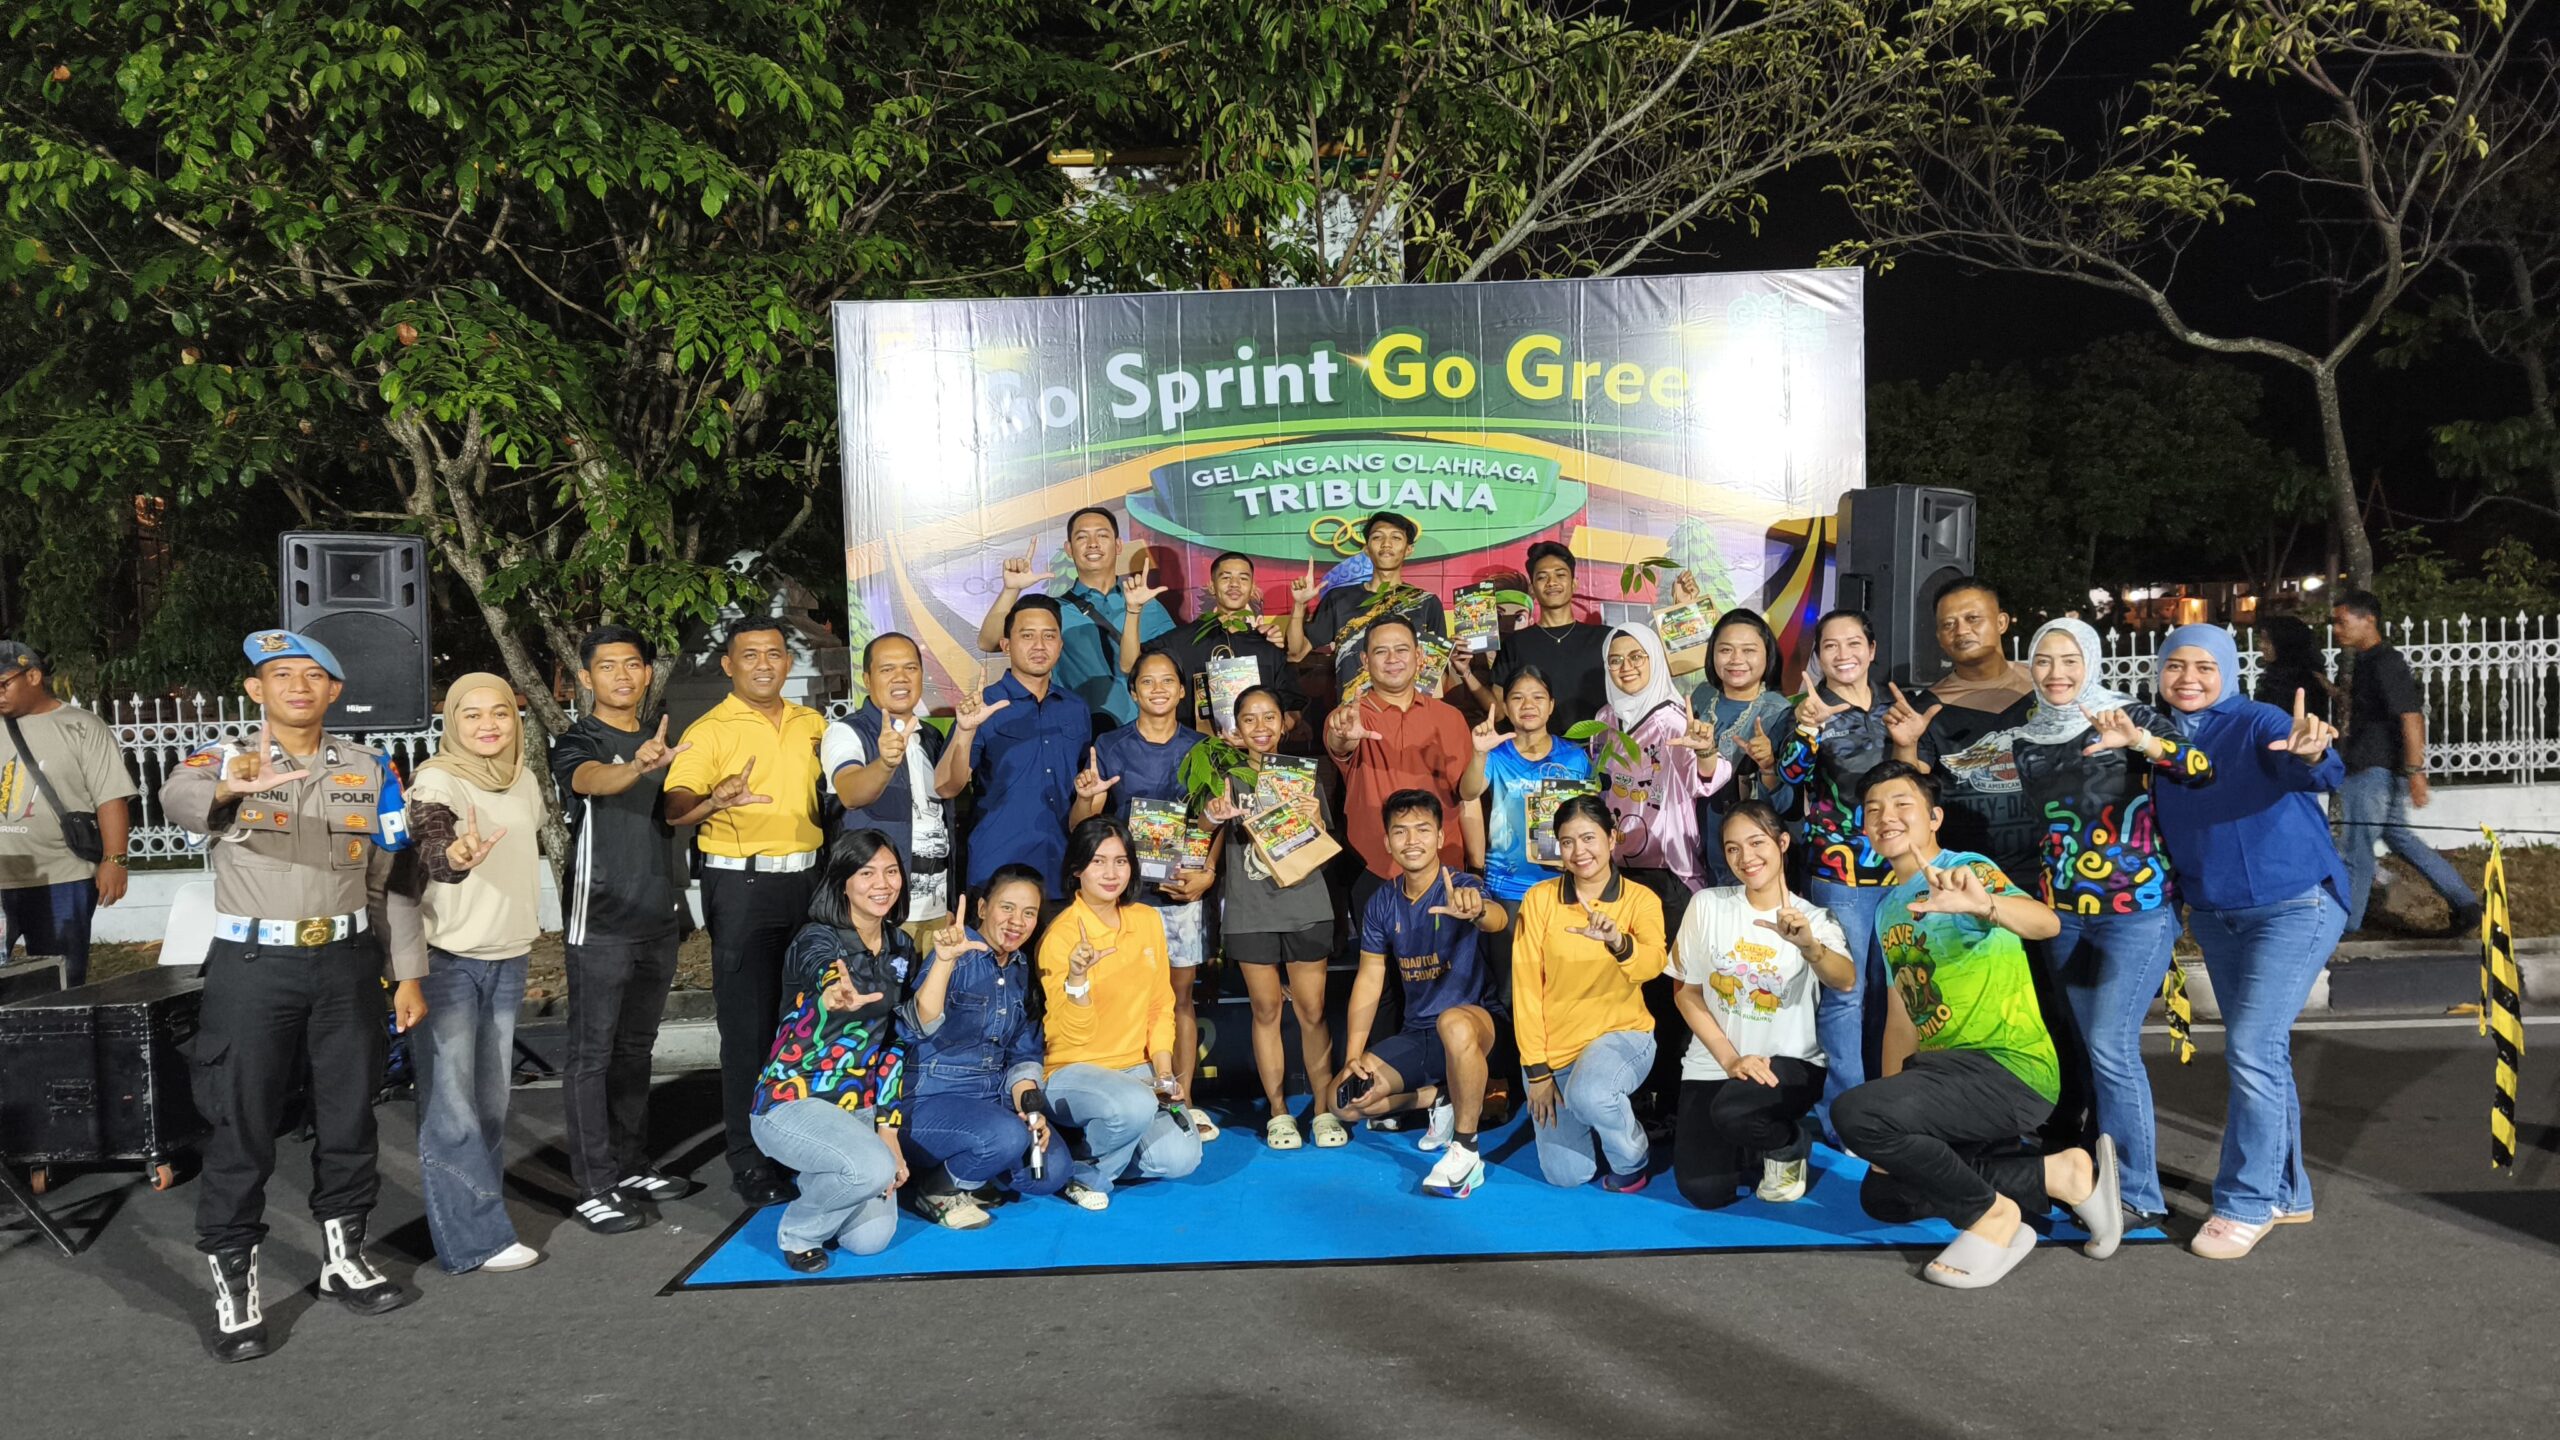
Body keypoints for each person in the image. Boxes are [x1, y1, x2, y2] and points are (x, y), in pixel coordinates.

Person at [160, 630, 426, 1363]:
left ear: (335, 691)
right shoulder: (226, 758)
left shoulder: (369, 769)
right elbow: (179, 797)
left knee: (349, 1116)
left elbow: (390, 879)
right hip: (254, 967)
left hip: (346, 963)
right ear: (257, 690)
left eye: (314, 677)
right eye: (282, 676)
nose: (299, 687)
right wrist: (227, 790)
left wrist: (406, 972)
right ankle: (235, 1288)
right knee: (240, 1122)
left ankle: (345, 1258)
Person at [1829, 762, 2123, 1290]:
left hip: (2009, 1068)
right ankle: (2061, 1173)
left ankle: (1994, 1218)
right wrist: (1888, 1115)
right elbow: (1902, 1017)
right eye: (1873, 810)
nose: (1885, 816)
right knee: (1885, 1194)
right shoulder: (1888, 908)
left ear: (1934, 818)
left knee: (1853, 1114)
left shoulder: (1966, 869)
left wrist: (1983, 904)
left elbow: (2046, 923)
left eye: (1901, 805)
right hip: (1944, 1076)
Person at [2150, 624, 2349, 1260]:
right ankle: (2289, 1192)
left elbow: (2315, 767)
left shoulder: (2256, 718)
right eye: (2175, 666)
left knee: (2251, 1047)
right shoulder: (2155, 736)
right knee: (2262, 1052)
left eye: (2204, 667)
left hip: (2294, 903)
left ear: (2228, 672)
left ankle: (2246, 1201)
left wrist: (2312, 754)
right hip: (2217, 913)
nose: (2188, 679)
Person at [2011, 618, 2215, 1222]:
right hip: (2064, 916)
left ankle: (2136, 1192)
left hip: (2136, 911)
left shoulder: (2129, 716)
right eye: (2044, 661)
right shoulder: (2028, 740)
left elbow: (2199, 767)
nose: (2056, 673)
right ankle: (2092, 1168)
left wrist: (2142, 742)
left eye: (2069, 660)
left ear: (2092, 662)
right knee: (2082, 1047)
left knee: (2110, 1043)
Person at [664, 618, 831, 1207]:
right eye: (750, 654)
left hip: (809, 882)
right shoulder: (709, 730)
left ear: (788, 662)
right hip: (742, 886)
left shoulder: (813, 724)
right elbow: (675, 806)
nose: (764, 664)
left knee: (806, 1023)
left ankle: (801, 1146)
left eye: (775, 653)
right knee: (748, 1027)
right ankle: (750, 1158)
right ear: (728, 665)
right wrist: (715, 798)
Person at [548, 625, 701, 1236]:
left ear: (647, 672)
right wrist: (633, 766)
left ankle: (633, 1165)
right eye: (607, 666)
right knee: (591, 1056)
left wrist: (715, 803)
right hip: (601, 918)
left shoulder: (657, 738)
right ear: (586, 677)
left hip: (656, 916)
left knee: (636, 1050)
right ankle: (594, 1185)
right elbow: (590, 780)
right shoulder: (578, 740)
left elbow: (667, 816)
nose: (622, 675)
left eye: (632, 664)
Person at [408, 673, 548, 1275]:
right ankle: (475, 1241)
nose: (488, 724)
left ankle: (478, 1218)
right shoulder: (437, 779)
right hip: (448, 961)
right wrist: (455, 857)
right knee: (453, 1108)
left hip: (508, 954)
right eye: (472, 714)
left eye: (500, 712)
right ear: (452, 723)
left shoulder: (523, 780)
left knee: (490, 1105)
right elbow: (432, 843)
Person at [1668, 802, 1855, 1209]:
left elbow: (1844, 978)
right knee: (1704, 1192)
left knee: (1734, 1111)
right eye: (1732, 848)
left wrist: (1809, 946)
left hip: (1786, 1064)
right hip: (1715, 1062)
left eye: (1757, 843)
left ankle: (1787, 1143)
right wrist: (1730, 1059)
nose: (1746, 857)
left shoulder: (1813, 919)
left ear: (1782, 842)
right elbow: (1686, 992)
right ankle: (1749, 1142)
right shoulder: (1707, 905)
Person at [747, 829, 916, 1274]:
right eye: (867, 873)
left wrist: (888, 1131)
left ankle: (827, 1172)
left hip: (856, 1106)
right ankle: (799, 1233)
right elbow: (818, 965)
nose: (882, 884)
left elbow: (894, 1043)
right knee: (869, 1170)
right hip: (792, 1099)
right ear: (842, 882)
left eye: (891, 871)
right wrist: (832, 990)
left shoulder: (901, 947)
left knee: (869, 1241)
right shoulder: (817, 938)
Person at [1335, 790, 1508, 1199]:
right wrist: (1353, 1055)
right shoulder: (1382, 901)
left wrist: (1477, 911)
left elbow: (1498, 920)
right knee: (1343, 1101)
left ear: (1440, 836)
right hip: (1420, 1035)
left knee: (1453, 1022)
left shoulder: (1462, 885)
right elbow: (1370, 977)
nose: (1412, 840)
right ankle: (1440, 1095)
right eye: (1401, 831)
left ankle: (1466, 1152)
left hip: (1477, 1027)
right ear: (1387, 842)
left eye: (1422, 830)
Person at [1071, 651, 1216, 1135]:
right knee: (1122, 996)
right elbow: (1083, 827)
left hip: (1180, 893)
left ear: (1182, 690)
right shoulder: (1109, 746)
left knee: (1180, 999)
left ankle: (1183, 1099)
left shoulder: (1202, 748)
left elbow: (1214, 821)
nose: (1158, 689)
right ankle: (1127, 1096)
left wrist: (1207, 871)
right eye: (1147, 682)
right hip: (1125, 897)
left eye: (1167, 681)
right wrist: (1087, 797)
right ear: (1133, 692)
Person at [1036, 816, 1204, 1206]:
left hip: (1137, 1070)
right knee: (1134, 1105)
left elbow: (1160, 1005)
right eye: (1098, 862)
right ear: (1076, 870)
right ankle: (1086, 1175)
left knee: (1181, 1158)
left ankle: (1088, 1146)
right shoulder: (1062, 936)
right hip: (1071, 1070)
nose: (1111, 873)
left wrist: (1163, 1073)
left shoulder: (1146, 920)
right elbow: (1072, 1034)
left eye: (1121, 861)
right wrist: (1078, 978)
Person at [1202, 686, 1341, 1150]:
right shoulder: (1225, 777)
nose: (1260, 727)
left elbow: (1323, 845)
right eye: (1249, 719)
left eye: (1269, 717)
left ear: (1284, 723)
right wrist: (1212, 815)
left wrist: (1314, 815)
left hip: (1306, 906)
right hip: (1251, 909)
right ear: (1235, 729)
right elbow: (1202, 830)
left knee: (1312, 1011)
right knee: (1265, 1010)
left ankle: (1323, 1110)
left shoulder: (1302, 775)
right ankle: (1279, 1112)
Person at [898, 867, 1076, 1227]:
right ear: (982, 908)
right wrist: (944, 961)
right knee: (1006, 1136)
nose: (1017, 921)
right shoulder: (956, 952)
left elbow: (1024, 1053)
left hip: (992, 1100)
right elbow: (912, 1026)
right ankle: (936, 1188)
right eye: (1006, 908)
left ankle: (972, 1171)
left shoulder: (1021, 968)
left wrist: (1030, 1111)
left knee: (1051, 1170)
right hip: (929, 1101)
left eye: (1028, 913)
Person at [1511, 795, 1668, 1192]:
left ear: (1611, 839)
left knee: (1591, 1093)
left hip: (1622, 1035)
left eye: (1588, 838)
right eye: (1567, 842)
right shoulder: (1539, 899)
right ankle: (1598, 1112)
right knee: (1566, 1176)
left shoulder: (1641, 899)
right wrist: (1537, 1072)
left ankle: (1632, 1157)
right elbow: (1526, 989)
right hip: (1557, 1052)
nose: (1579, 851)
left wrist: (1618, 942)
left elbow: (1652, 965)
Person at [1779, 608, 1899, 1115]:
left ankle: (1891, 1099)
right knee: (1847, 992)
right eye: (1830, 645)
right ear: (1818, 655)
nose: (1843, 654)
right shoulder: (1809, 709)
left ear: (1871, 650)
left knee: (1896, 992)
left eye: (1854, 643)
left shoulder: (1897, 704)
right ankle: (1844, 1112)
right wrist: (1807, 729)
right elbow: (1788, 775)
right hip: (1840, 873)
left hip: (1902, 872)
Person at [2331, 589, 2480, 934]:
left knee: (2355, 849)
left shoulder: (2386, 662)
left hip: (2372, 771)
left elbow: (2411, 717)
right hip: (2381, 770)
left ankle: (2346, 928)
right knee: (2400, 838)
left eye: (2342, 621)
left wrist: (2415, 771)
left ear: (2369, 619)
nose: (2336, 630)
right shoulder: (2367, 662)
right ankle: (2465, 904)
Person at [1886, 577, 2042, 886]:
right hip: (1969, 877)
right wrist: (1906, 744)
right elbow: (1909, 790)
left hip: (2053, 868)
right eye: (1948, 624)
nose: (1961, 631)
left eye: (1973, 618)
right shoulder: (1926, 709)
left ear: (2001, 622)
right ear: (1939, 637)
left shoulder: (2045, 690)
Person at [937, 593, 1093, 903]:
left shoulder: (1076, 708)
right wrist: (965, 732)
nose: (1039, 645)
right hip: (996, 869)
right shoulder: (984, 705)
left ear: (1060, 645)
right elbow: (947, 786)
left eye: (1049, 636)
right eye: (1027, 635)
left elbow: (1082, 795)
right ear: (1006, 645)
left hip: (1061, 868)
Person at [1324, 619, 1480, 925]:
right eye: (1381, 651)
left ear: (1419, 656)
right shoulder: (1350, 716)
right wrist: (1343, 735)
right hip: (1373, 867)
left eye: (1401, 649)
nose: (1392, 659)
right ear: (1365, 661)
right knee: (1376, 956)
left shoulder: (1450, 718)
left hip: (1444, 868)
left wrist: (1476, 867)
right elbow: (1339, 743)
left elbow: (1468, 799)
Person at [0, 639, 136, 986]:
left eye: (3, 684)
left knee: (60, 984)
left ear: (33, 676)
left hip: (62, 876)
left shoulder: (82, 726)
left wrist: (115, 860)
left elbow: (110, 797)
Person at [977, 506, 1173, 729]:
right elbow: (988, 642)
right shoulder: (1055, 611)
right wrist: (1011, 589)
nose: (1093, 544)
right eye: (1082, 537)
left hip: (1144, 734)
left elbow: (1173, 667)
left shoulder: (1148, 605)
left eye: (1102, 535)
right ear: (1069, 549)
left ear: (1118, 545)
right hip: (1079, 732)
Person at [1594, 621, 1733, 930]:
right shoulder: (1604, 718)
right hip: (1613, 865)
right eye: (1615, 660)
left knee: (1667, 956)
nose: (1626, 667)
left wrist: (1706, 751)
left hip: (1667, 867)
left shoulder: (1673, 721)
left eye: (1636, 656)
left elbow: (1707, 780)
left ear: (1654, 658)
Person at [823, 632, 954, 949]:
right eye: (887, 669)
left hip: (936, 912)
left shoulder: (931, 737)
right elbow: (850, 792)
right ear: (867, 679)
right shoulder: (845, 732)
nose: (901, 677)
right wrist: (884, 763)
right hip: (878, 914)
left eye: (910, 668)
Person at [1462, 665, 1599, 914]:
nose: (1528, 705)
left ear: (1551, 705)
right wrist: (1479, 753)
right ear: (1505, 706)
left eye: (1538, 697)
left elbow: (1591, 816)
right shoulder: (1496, 755)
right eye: (1517, 698)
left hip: (1563, 885)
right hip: (1506, 887)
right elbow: (1468, 792)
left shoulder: (1575, 757)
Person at [1133, 550, 1305, 735]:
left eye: (1243, 578)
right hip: (1194, 748)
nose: (1234, 584)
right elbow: (1130, 664)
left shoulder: (1267, 646)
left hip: (1254, 751)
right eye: (1226, 577)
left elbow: (1292, 711)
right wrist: (1132, 610)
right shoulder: (1182, 640)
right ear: (1212, 586)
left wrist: (1262, 734)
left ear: (1252, 587)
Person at [1687, 610, 1797, 887]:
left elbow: (1786, 805)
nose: (1736, 659)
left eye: (1749, 650)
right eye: (1726, 650)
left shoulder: (1779, 713)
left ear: (1768, 655)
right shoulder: (1701, 697)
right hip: (1692, 847)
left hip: (1746, 857)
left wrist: (1768, 765)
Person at [1288, 511, 1448, 690]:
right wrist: (1299, 605)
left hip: (1408, 706)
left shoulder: (1427, 602)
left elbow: (1438, 675)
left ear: (1409, 549)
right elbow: (1296, 653)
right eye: (1377, 537)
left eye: (1396, 537)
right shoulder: (1338, 598)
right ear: (1366, 548)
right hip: (1353, 706)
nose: (1386, 544)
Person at [1478, 541, 1612, 729]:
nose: (1552, 583)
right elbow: (1499, 711)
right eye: (1542, 577)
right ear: (1533, 588)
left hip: (1596, 746)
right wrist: (1466, 673)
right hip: (1534, 746)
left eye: (1560, 575)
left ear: (1574, 584)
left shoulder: (1605, 639)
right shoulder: (1515, 644)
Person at [2253, 614, 2336, 725]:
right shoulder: (2274, 676)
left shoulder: (2305, 681)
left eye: (2267, 641)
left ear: (2284, 644)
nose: (2261, 645)